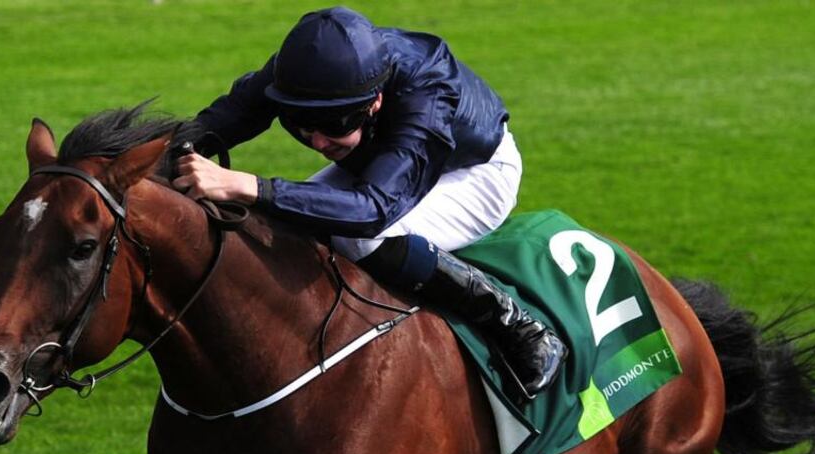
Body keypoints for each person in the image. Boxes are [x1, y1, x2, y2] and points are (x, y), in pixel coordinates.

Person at [172, 6, 566, 400]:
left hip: (474, 171)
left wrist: (253, 186)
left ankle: (519, 328)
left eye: (335, 125)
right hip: (380, 159)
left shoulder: (426, 93)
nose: (318, 142)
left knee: (361, 240)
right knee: (292, 225)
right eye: (301, 124)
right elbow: (233, 114)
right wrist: (158, 156)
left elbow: (373, 210)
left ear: (375, 101)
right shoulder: (299, 74)